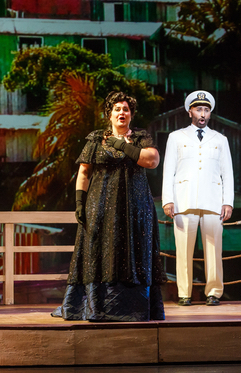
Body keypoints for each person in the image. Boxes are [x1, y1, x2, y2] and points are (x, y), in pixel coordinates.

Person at [52, 91, 166, 322]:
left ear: (131, 115)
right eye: (117, 109)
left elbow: (152, 161)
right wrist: (79, 202)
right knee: (97, 251)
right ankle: (95, 307)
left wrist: (120, 145)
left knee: (133, 250)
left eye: (126, 109)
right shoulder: (95, 138)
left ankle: (133, 308)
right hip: (100, 205)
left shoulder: (141, 137)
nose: (121, 113)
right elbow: (84, 172)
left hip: (135, 207)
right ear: (109, 114)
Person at [161, 90, 234, 306]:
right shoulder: (176, 137)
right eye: (198, 109)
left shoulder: (220, 139)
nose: (202, 114)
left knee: (213, 249)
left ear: (210, 113)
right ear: (190, 111)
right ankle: (184, 293)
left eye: (206, 110)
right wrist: (168, 200)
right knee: (183, 250)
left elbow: (227, 172)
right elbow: (169, 170)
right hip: (184, 201)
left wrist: (227, 202)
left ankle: (213, 292)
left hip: (213, 201)